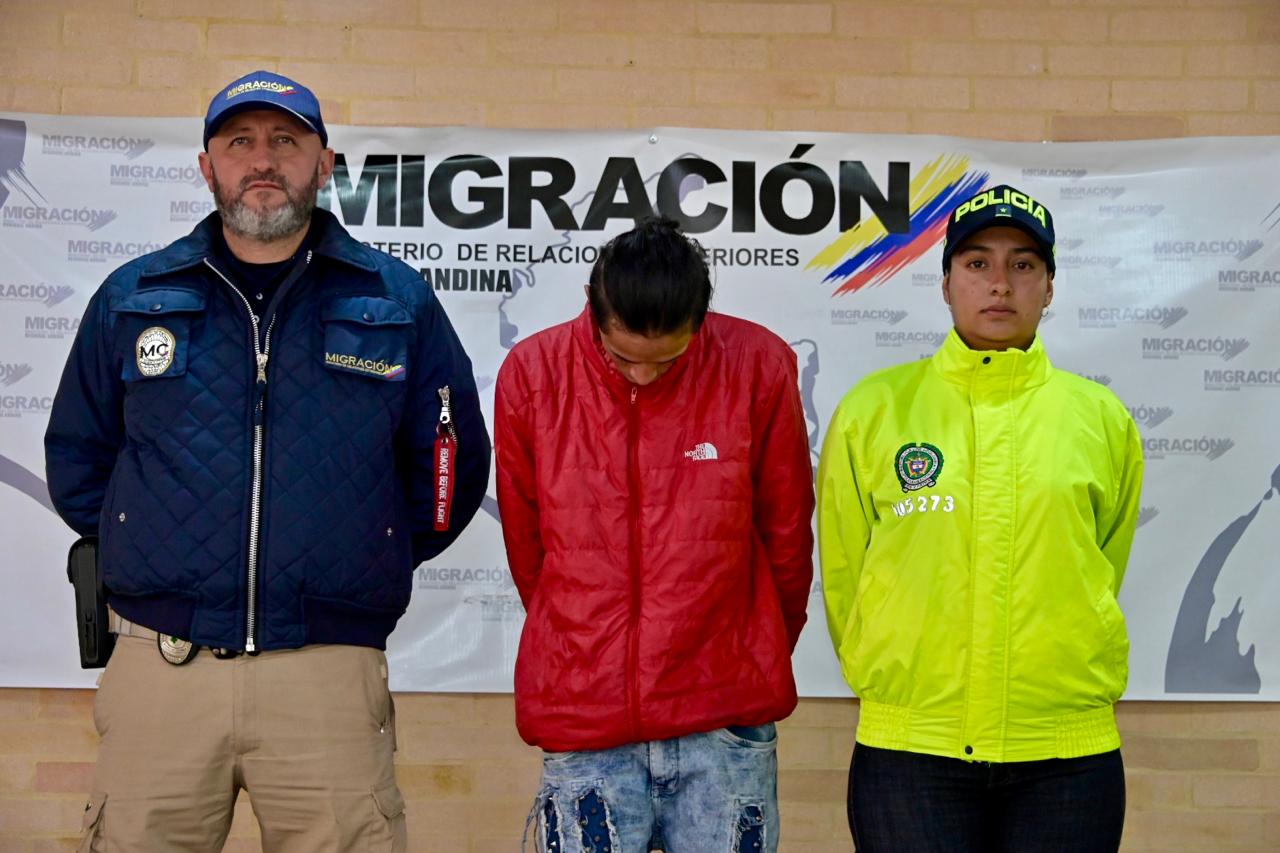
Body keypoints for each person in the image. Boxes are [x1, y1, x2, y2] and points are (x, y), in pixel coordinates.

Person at [44, 70, 489, 851]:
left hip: (327, 671)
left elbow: (448, 466)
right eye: (240, 141)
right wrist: (150, 554)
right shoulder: (133, 295)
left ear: (324, 164)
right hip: (163, 666)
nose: (263, 159)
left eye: (286, 141)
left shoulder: (396, 298)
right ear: (206, 165)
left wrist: (366, 547)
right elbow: (80, 458)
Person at [817, 185, 1144, 852]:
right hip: (912, 753)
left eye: (1023, 265)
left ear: (1049, 286)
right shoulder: (874, 410)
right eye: (977, 263)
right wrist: (890, 681)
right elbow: (846, 569)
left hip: (1065, 756)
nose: (1001, 284)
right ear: (945, 284)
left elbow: (1103, 565)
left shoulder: (1101, 418)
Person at [495, 217, 814, 853]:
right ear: (593, 311)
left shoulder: (758, 364)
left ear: (702, 320)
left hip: (724, 714)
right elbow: (531, 550)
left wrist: (746, 643)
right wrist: (589, 640)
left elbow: (786, 535)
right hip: (584, 710)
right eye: (623, 359)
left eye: (668, 360)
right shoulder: (533, 373)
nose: (644, 377)